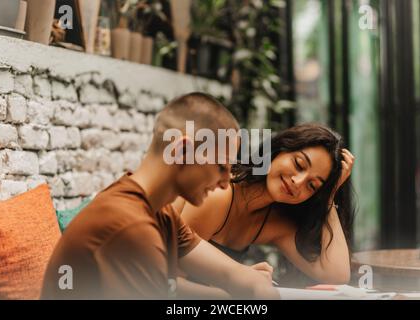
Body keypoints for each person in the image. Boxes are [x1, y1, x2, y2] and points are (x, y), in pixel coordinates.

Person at [41, 92, 279, 300]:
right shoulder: (131, 226)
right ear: (182, 151)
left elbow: (231, 275)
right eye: (220, 167)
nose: (226, 183)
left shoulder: (161, 212)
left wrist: (252, 283)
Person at [177, 124, 355, 285]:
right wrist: (239, 281)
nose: (298, 182)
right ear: (279, 150)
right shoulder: (218, 194)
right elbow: (169, 283)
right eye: (299, 164)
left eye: (312, 185)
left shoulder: (274, 224)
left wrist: (329, 199)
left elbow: (336, 275)